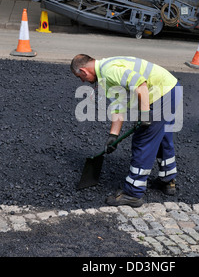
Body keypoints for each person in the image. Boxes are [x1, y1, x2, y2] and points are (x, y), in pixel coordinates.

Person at [71, 54, 182, 207]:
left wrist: (144, 114)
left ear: (83, 71)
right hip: (171, 88)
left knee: (143, 140)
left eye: (80, 77)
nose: (83, 81)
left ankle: (133, 193)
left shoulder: (109, 70)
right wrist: (113, 135)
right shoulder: (105, 76)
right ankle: (167, 180)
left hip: (162, 94)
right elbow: (118, 106)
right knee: (162, 136)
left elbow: (141, 85)